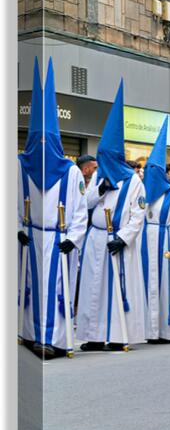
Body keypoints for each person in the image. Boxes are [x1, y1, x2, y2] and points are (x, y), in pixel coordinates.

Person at [17, 59, 88, 359]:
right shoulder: (20, 168)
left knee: (56, 290)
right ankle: (32, 335)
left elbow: (80, 210)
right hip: (31, 237)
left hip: (58, 241)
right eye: (38, 139)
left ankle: (54, 339)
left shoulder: (71, 173)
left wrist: (72, 236)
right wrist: (18, 230)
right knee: (32, 290)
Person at [77, 80, 148, 352]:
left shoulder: (134, 182)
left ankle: (117, 336)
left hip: (117, 241)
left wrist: (123, 237)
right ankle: (93, 335)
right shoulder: (98, 176)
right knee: (93, 288)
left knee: (116, 288)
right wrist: (99, 190)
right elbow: (84, 203)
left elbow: (138, 213)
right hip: (96, 239)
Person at [141, 118, 170, 343]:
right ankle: (150, 330)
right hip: (146, 245)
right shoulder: (143, 195)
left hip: (167, 245)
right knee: (148, 286)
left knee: (166, 288)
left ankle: (167, 331)